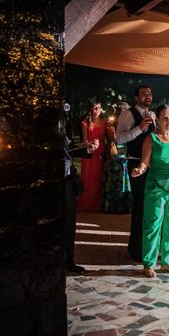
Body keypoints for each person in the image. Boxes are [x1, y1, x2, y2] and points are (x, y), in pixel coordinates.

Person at [131, 105, 169, 277]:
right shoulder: (152, 138)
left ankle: (167, 262)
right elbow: (145, 163)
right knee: (153, 224)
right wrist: (139, 169)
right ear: (158, 120)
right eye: (165, 118)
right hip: (155, 184)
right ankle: (148, 263)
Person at [116, 86, 154, 261]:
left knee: (148, 206)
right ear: (136, 97)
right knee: (140, 205)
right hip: (136, 162)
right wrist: (139, 128)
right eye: (144, 94)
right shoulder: (128, 114)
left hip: (152, 165)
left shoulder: (151, 115)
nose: (148, 96)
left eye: (150, 93)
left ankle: (141, 246)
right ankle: (137, 249)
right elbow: (119, 138)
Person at [64, 103, 99, 275]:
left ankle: (68, 260)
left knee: (70, 224)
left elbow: (68, 149)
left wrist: (86, 148)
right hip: (54, 179)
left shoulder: (66, 119)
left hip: (68, 179)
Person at [76, 102, 108, 212]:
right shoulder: (85, 122)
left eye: (98, 108)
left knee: (97, 179)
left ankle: (97, 206)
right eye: (94, 108)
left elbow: (107, 139)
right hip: (89, 153)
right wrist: (90, 143)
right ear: (90, 109)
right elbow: (84, 141)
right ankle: (85, 205)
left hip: (100, 154)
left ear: (101, 109)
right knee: (87, 180)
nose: (96, 111)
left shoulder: (105, 122)